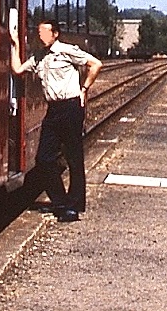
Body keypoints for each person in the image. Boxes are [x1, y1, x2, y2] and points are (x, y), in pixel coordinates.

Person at [9, 20, 102, 222]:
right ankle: (60, 202)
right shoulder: (39, 57)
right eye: (39, 32)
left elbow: (95, 64)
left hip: (70, 107)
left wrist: (84, 89)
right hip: (54, 109)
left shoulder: (66, 51)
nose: (40, 35)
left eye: (44, 32)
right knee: (44, 158)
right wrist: (15, 42)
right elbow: (17, 70)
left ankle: (74, 204)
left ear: (55, 34)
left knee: (74, 157)